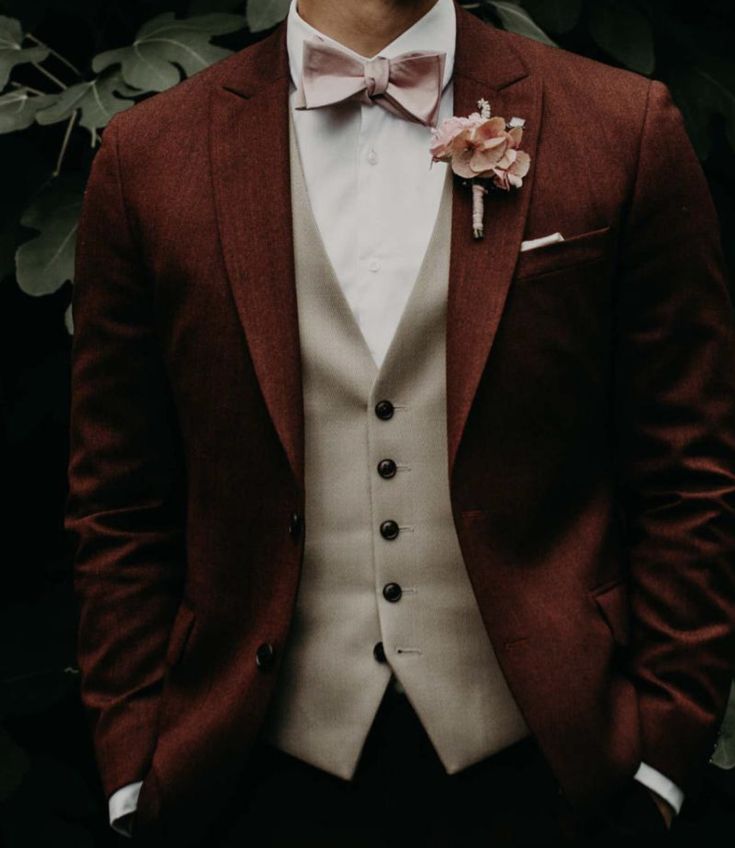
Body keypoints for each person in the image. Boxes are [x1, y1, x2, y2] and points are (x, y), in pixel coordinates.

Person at [64, 0, 735, 844]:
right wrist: (133, 766)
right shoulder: (148, 155)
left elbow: (688, 471)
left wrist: (664, 756)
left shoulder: (620, 124)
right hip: (246, 767)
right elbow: (117, 498)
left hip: (554, 761)